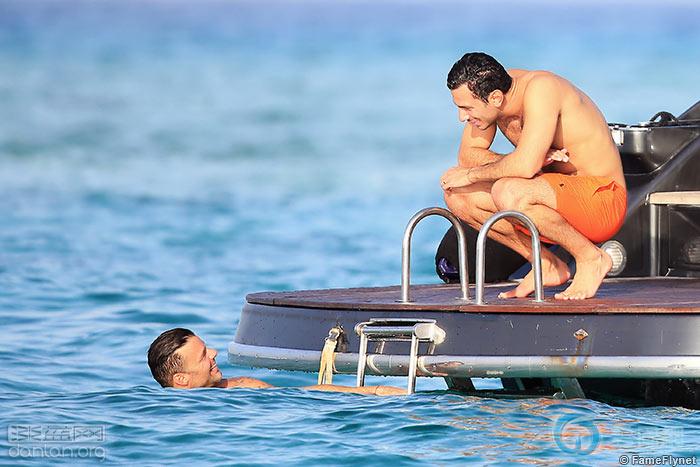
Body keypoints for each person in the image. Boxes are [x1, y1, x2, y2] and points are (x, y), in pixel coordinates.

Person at [440, 52, 626, 300]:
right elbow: (468, 155)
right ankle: (545, 263)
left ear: (495, 98)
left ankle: (591, 258)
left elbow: (524, 167)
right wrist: (522, 159)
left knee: (507, 190)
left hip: (602, 200)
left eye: (466, 108)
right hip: (551, 197)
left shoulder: (541, 89)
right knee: (457, 194)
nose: (462, 117)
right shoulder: (491, 88)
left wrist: (479, 174)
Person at [147, 328, 405, 395]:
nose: (214, 352)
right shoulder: (236, 392)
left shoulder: (238, 386)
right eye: (203, 355)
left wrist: (369, 391)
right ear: (181, 380)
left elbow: (301, 393)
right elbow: (303, 396)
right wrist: (372, 391)